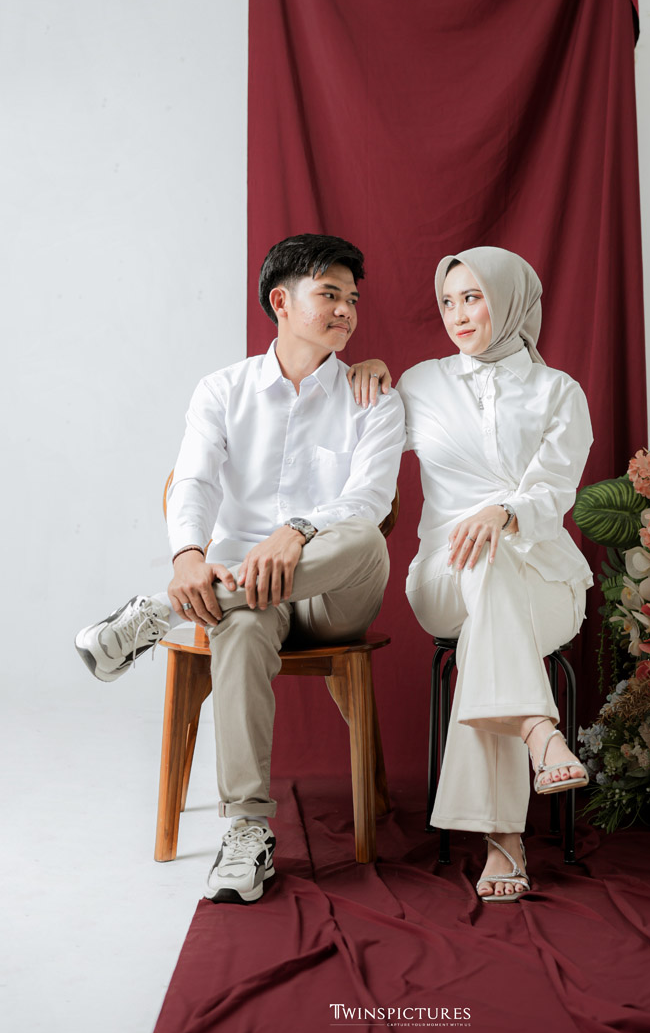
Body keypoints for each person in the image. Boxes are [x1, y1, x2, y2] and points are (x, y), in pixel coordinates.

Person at [75, 234, 405, 905]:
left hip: (334, 593)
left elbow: (370, 500)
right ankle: (247, 830)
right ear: (281, 302)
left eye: (352, 299)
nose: (346, 310)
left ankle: (158, 614)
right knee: (244, 624)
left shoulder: (373, 395)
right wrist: (188, 557)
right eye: (330, 295)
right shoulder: (222, 389)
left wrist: (298, 531)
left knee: (368, 540)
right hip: (245, 595)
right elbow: (193, 480)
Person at [349, 246, 592, 903]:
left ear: (509, 301)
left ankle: (503, 837)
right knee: (481, 563)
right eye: (448, 301)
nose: (457, 314)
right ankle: (539, 730)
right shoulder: (422, 384)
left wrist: (504, 513)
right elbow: (351, 434)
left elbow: (555, 490)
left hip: (545, 583)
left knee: (493, 576)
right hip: (442, 581)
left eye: (474, 297)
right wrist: (361, 375)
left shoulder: (559, 392)